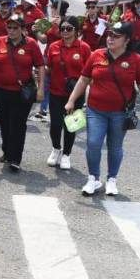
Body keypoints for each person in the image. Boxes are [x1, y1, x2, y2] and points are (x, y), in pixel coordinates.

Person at [66, 22, 140, 196]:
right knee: (93, 143)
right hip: (96, 111)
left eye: (116, 36)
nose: (110, 38)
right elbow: (83, 80)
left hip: (120, 113)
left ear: (126, 40)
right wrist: (71, 100)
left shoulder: (136, 60)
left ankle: (112, 179)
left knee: (115, 146)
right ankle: (93, 179)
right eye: (109, 34)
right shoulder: (96, 55)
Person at [0, 15, 45, 172]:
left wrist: (41, 88)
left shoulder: (31, 44)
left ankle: (15, 158)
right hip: (1, 90)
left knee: (17, 124)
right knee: (4, 123)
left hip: (22, 92)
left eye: (15, 27)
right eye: (8, 27)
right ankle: (6, 152)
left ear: (23, 30)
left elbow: (40, 66)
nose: (11, 30)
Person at [45, 16, 91, 170]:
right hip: (56, 91)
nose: (65, 31)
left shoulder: (84, 48)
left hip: (75, 94)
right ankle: (56, 149)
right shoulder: (54, 47)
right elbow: (49, 68)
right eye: (62, 28)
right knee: (55, 125)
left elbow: (88, 73)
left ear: (76, 31)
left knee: (71, 125)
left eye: (69, 28)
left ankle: (66, 154)